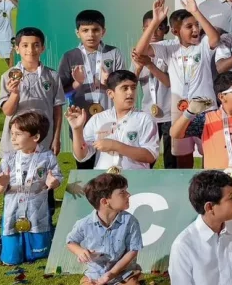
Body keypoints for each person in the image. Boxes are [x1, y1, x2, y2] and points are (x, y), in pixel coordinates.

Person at [134, 0, 223, 167]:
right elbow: (140, 51)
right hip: (180, 112)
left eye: (196, 25)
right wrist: (155, 22)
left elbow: (215, 39)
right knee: (183, 159)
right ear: (175, 31)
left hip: (207, 109)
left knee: (210, 155)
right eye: (189, 26)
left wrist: (196, 12)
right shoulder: (169, 47)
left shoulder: (203, 45)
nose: (195, 29)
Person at [66, 172, 152, 285]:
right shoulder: (84, 224)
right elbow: (71, 241)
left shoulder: (130, 221)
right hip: (95, 278)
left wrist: (111, 274)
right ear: (105, 202)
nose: (128, 195)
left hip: (122, 276)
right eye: (122, 192)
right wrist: (80, 251)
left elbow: (133, 250)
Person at [60, 10, 128, 169]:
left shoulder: (113, 53)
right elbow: (62, 93)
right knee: (84, 165)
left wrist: (109, 82)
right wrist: (76, 84)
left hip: (110, 119)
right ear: (78, 33)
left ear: (103, 31)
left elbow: (124, 89)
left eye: (96, 30)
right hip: (81, 121)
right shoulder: (69, 57)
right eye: (85, 30)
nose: (91, 35)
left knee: (111, 164)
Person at [0, 112, 62, 265]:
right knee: (11, 260)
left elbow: (56, 180)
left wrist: (53, 182)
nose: (12, 138)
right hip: (13, 213)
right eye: (12, 133)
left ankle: (43, 240)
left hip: (37, 213)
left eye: (18, 134)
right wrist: (3, 183)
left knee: (40, 255)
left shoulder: (48, 157)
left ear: (35, 137)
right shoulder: (8, 159)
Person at [68, 71, 160, 170]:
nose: (130, 92)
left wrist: (115, 146)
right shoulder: (98, 119)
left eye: (133, 88)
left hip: (134, 180)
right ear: (110, 93)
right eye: (125, 88)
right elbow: (81, 156)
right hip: (103, 181)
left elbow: (151, 156)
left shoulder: (145, 119)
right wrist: (77, 130)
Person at [0, 28, 65, 157]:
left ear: (43, 48)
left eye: (36, 45)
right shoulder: (7, 76)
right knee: (13, 176)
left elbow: (57, 110)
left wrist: (56, 138)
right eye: (25, 45)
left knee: (42, 175)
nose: (30, 50)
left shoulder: (52, 76)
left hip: (43, 137)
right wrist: (15, 94)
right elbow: (7, 111)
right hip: (15, 140)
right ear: (17, 49)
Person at [133, 10, 174, 168]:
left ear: (167, 30)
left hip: (170, 113)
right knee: (146, 159)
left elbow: (169, 82)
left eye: (158, 27)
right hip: (148, 113)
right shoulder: (139, 52)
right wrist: (138, 66)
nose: (154, 32)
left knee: (171, 159)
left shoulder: (171, 49)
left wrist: (150, 64)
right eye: (149, 28)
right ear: (144, 30)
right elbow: (131, 81)